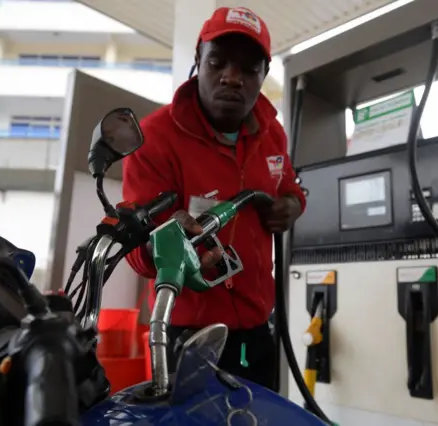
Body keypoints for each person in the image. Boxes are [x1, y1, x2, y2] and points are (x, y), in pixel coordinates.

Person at [122, 6, 306, 391]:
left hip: (258, 329)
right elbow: (137, 249)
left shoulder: (273, 135)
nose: (232, 78)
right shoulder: (154, 139)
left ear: (264, 76)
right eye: (218, 62)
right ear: (198, 61)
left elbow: (288, 186)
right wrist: (167, 242)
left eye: (248, 69)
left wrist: (292, 205)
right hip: (190, 334)